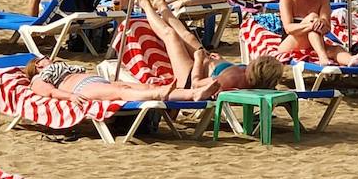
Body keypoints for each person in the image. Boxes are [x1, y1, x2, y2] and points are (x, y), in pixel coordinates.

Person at [135, 0, 286, 91]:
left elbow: (196, 84)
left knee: (171, 35)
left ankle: (144, 3)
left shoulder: (231, 79)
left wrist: (198, 60)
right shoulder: (249, 76)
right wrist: (221, 60)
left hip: (188, 77)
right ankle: (161, 5)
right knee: (188, 36)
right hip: (207, 62)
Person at [22, 57, 219, 103]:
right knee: (122, 93)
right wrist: (70, 97)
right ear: (37, 64)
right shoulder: (39, 77)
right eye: (45, 58)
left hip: (97, 81)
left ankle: (194, 93)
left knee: (146, 85)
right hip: (81, 88)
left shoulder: (60, 67)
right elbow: (49, 92)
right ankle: (159, 94)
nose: (50, 58)